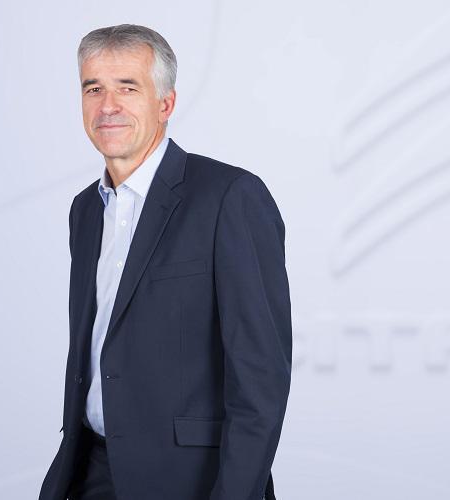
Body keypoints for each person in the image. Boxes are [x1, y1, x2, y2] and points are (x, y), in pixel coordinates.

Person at [38, 24, 292, 500]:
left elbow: (261, 383)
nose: (107, 106)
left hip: (189, 480)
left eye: (127, 88)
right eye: (93, 89)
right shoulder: (86, 210)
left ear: (166, 103)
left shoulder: (229, 197)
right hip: (90, 473)